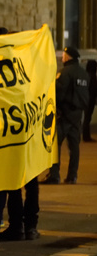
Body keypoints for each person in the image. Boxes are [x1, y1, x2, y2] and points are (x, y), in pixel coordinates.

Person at [42, 47, 89, 184]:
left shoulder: (64, 73)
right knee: (74, 147)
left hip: (64, 114)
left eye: (63, 55)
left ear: (67, 57)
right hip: (77, 115)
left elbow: (58, 92)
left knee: (54, 145)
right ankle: (72, 176)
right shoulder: (83, 73)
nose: (62, 58)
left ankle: (54, 174)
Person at [82, 59, 97, 142]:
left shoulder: (85, 75)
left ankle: (86, 136)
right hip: (90, 99)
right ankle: (86, 137)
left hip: (86, 99)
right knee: (87, 118)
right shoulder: (92, 76)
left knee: (86, 118)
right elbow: (93, 89)